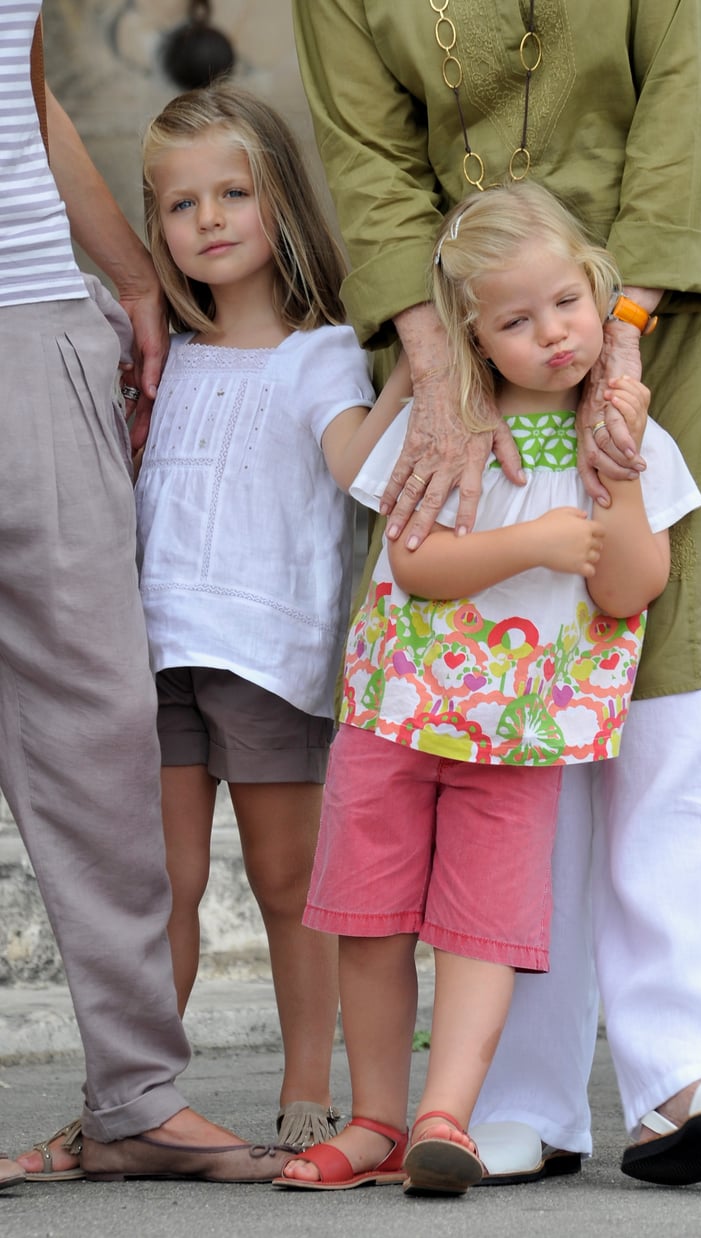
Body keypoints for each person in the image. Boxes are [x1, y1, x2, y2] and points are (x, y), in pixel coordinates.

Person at [291, 0, 701, 1186]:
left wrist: (619, 332)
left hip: (662, 297)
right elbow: (368, 155)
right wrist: (442, 359)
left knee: (682, 695)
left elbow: (685, 97)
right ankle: (513, 1094)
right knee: (502, 725)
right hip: (475, 326)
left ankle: (696, 1072)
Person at [273, 181, 701, 1196]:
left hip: (522, 731)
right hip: (397, 709)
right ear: (472, 334)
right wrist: (537, 541)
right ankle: (375, 1115)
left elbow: (634, 585)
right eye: (516, 319)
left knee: (481, 927)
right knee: (370, 916)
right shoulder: (449, 424)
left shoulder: (635, 445)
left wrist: (623, 466)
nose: (553, 334)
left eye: (566, 303)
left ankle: (445, 1116)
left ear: (599, 292)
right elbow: (416, 563)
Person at [3, 1, 301, 1184]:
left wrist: (128, 279)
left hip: (33, 310)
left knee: (100, 713)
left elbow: (22, 86)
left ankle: (133, 1095)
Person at [133, 82, 387, 1151]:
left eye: (233, 192)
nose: (210, 220)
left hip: (267, 654)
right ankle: (138, 1091)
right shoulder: (160, 354)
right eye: (181, 204)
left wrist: (417, 370)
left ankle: (304, 1083)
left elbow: (360, 470)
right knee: (160, 883)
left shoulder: (320, 355)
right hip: (151, 649)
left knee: (290, 879)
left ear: (278, 197)